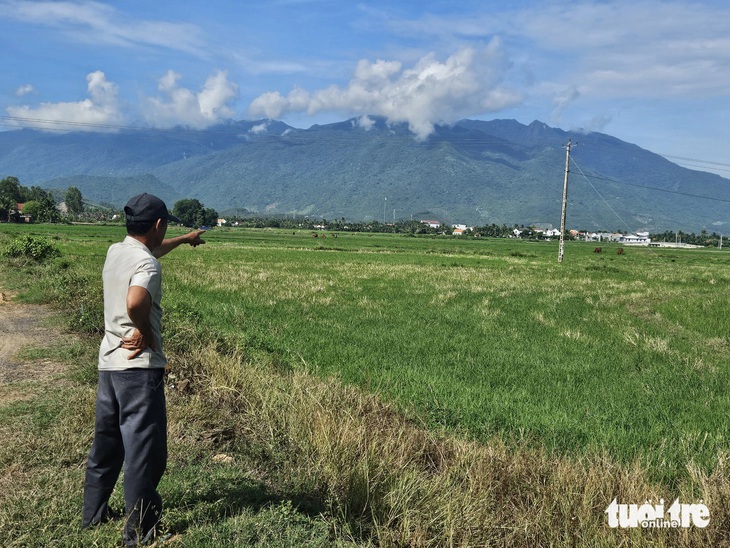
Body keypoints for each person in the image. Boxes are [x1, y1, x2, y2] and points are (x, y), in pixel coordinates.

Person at [82, 193, 205, 546]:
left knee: (107, 444)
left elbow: (150, 253)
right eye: (167, 225)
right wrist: (147, 332)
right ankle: (140, 533)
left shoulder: (117, 252)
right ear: (157, 224)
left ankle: (93, 514)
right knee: (145, 454)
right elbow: (136, 300)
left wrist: (183, 240)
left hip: (110, 364)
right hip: (139, 369)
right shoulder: (148, 265)